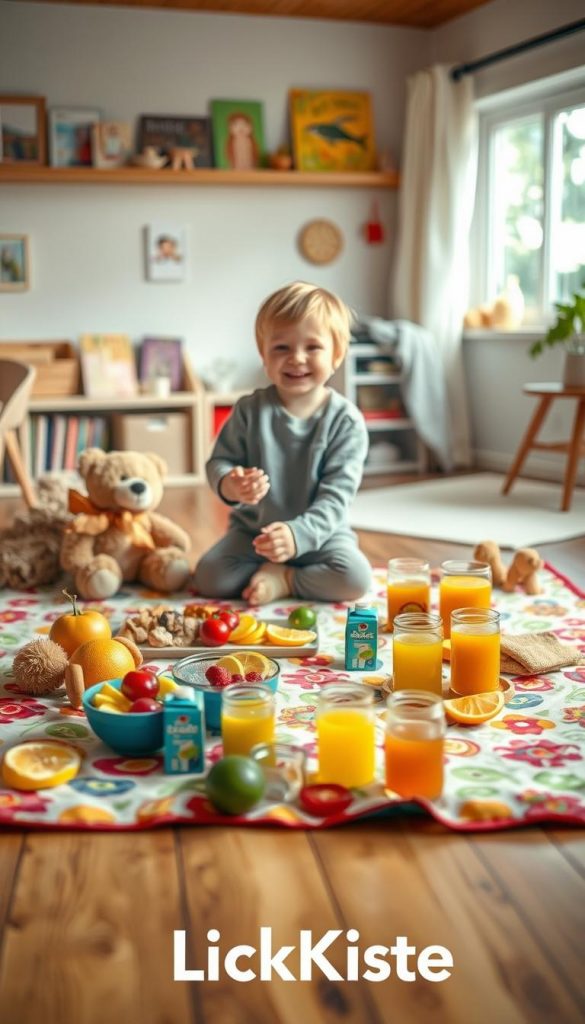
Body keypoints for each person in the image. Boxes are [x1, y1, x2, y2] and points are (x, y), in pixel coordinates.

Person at [193, 281, 372, 605]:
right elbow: (218, 462)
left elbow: (336, 499)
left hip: (322, 535)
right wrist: (231, 483)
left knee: (355, 579)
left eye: (312, 347)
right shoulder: (249, 410)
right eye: (281, 348)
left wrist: (297, 535)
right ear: (263, 354)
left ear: (337, 355)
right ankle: (270, 567)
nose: (297, 358)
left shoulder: (346, 422)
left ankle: (285, 579)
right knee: (209, 576)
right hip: (255, 534)